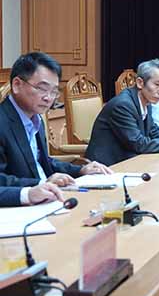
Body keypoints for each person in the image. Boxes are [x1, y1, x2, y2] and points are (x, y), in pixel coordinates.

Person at [0, 52, 111, 206]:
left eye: (54, 91)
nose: (48, 98)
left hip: (47, 199)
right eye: (42, 88)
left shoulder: (36, 119)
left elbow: (42, 161)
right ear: (17, 85)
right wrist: (39, 184)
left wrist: (80, 170)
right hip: (16, 208)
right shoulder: (3, 121)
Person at [86, 59, 159, 166]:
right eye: (157, 84)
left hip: (131, 162)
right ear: (140, 83)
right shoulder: (123, 105)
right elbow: (138, 143)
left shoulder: (147, 102)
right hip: (107, 167)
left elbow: (154, 134)